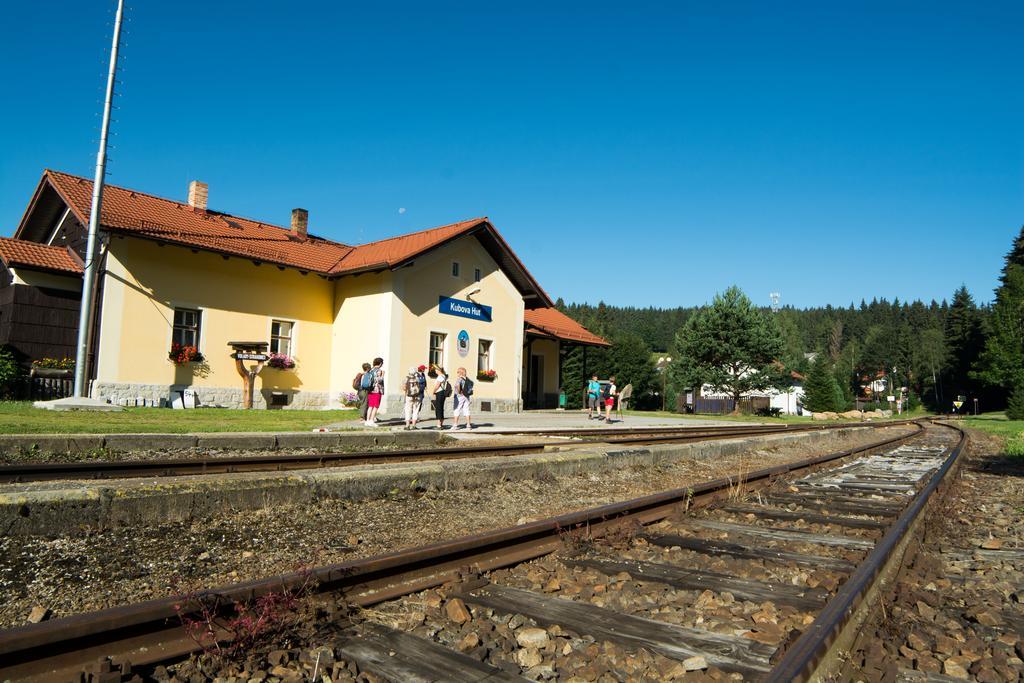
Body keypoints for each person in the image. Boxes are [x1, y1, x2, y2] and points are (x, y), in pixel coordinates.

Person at [365, 357, 385, 426]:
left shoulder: (371, 370)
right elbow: (379, 380)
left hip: (370, 390)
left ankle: (367, 420)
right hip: (377, 390)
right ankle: (372, 420)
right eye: (382, 363)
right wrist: (382, 375)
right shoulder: (379, 370)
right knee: (376, 406)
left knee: (370, 406)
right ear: (380, 363)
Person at [431, 364, 449, 429]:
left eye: (436, 369)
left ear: (438, 370)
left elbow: (437, 385)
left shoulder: (440, 376)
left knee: (438, 408)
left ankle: (439, 425)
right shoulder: (443, 376)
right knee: (440, 408)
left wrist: (433, 391)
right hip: (442, 393)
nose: (435, 371)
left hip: (439, 393)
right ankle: (441, 424)